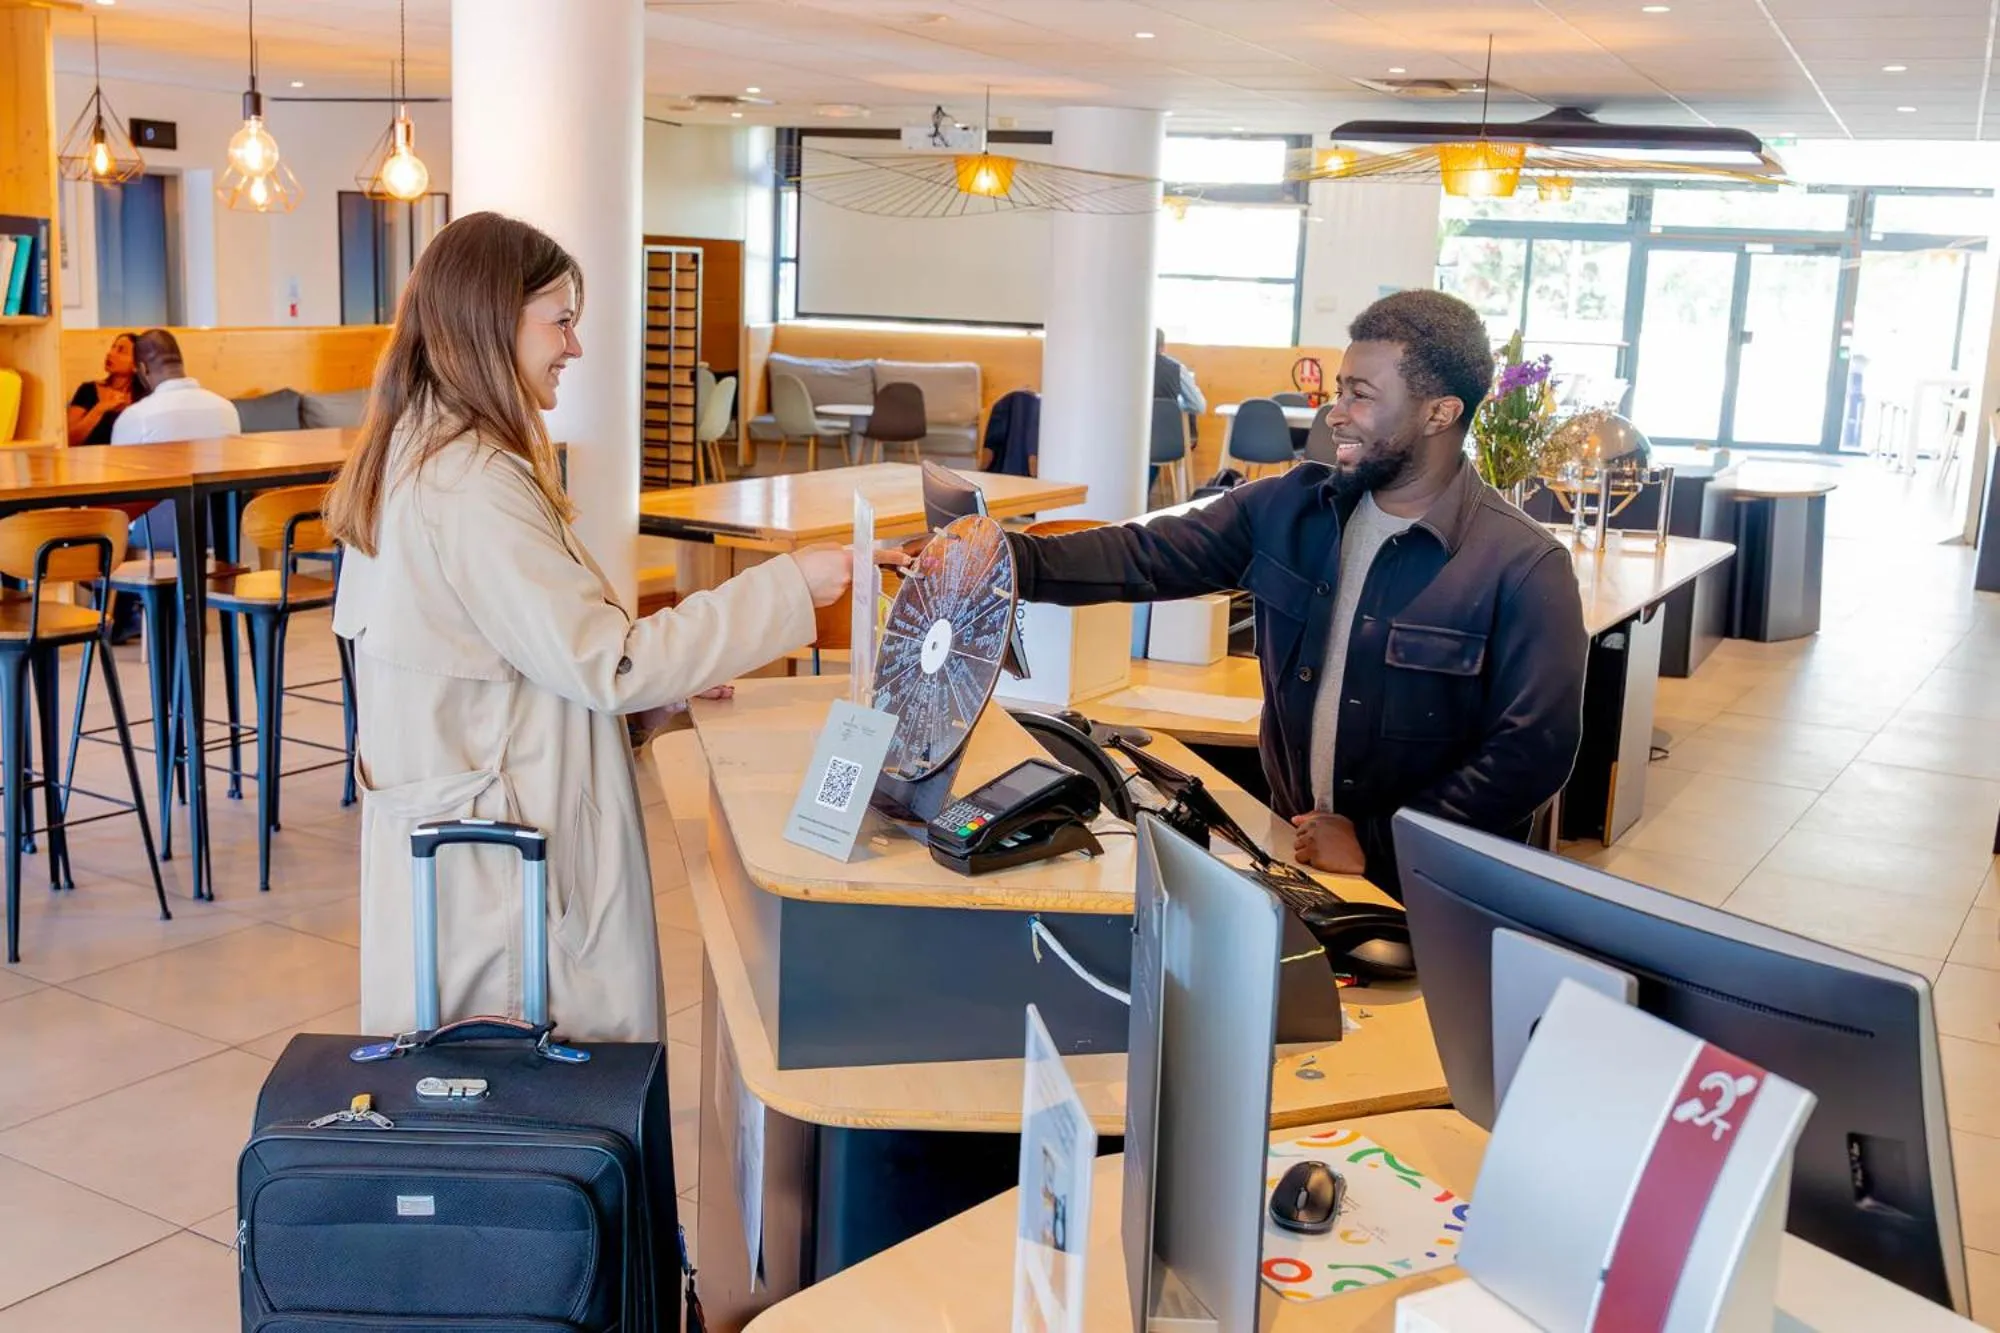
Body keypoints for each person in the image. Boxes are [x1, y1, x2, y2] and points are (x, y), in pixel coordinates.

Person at [328, 212, 857, 1043]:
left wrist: (645, 705)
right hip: (505, 883)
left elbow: (515, 657)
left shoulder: (429, 453)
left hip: (477, 856)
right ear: (491, 319)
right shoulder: (469, 482)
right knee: (540, 1116)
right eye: (561, 320)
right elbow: (607, 663)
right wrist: (791, 586)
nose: (574, 346)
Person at [1006, 290, 1588, 895]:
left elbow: (1531, 754)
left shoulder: (1523, 564)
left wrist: (1379, 839)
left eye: (1360, 395)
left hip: (1436, 887)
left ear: (1439, 414)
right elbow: (1145, 554)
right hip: (1297, 854)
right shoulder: (1288, 508)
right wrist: (1005, 559)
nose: (1335, 413)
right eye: (1339, 390)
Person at [110, 328, 242, 447]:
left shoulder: (135, 418)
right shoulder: (227, 409)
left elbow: (120, 472)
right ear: (180, 363)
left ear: (143, 369)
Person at [66, 332, 147, 446]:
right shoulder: (88, 390)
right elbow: (68, 440)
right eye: (112, 347)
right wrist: (100, 409)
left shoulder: (145, 397)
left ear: (136, 365)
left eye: (121, 350)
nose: (110, 354)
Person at [1153, 328, 1206, 414]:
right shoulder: (1177, 369)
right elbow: (1198, 406)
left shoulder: (1129, 369)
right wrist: (1176, 405)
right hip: (1167, 425)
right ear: (1162, 347)